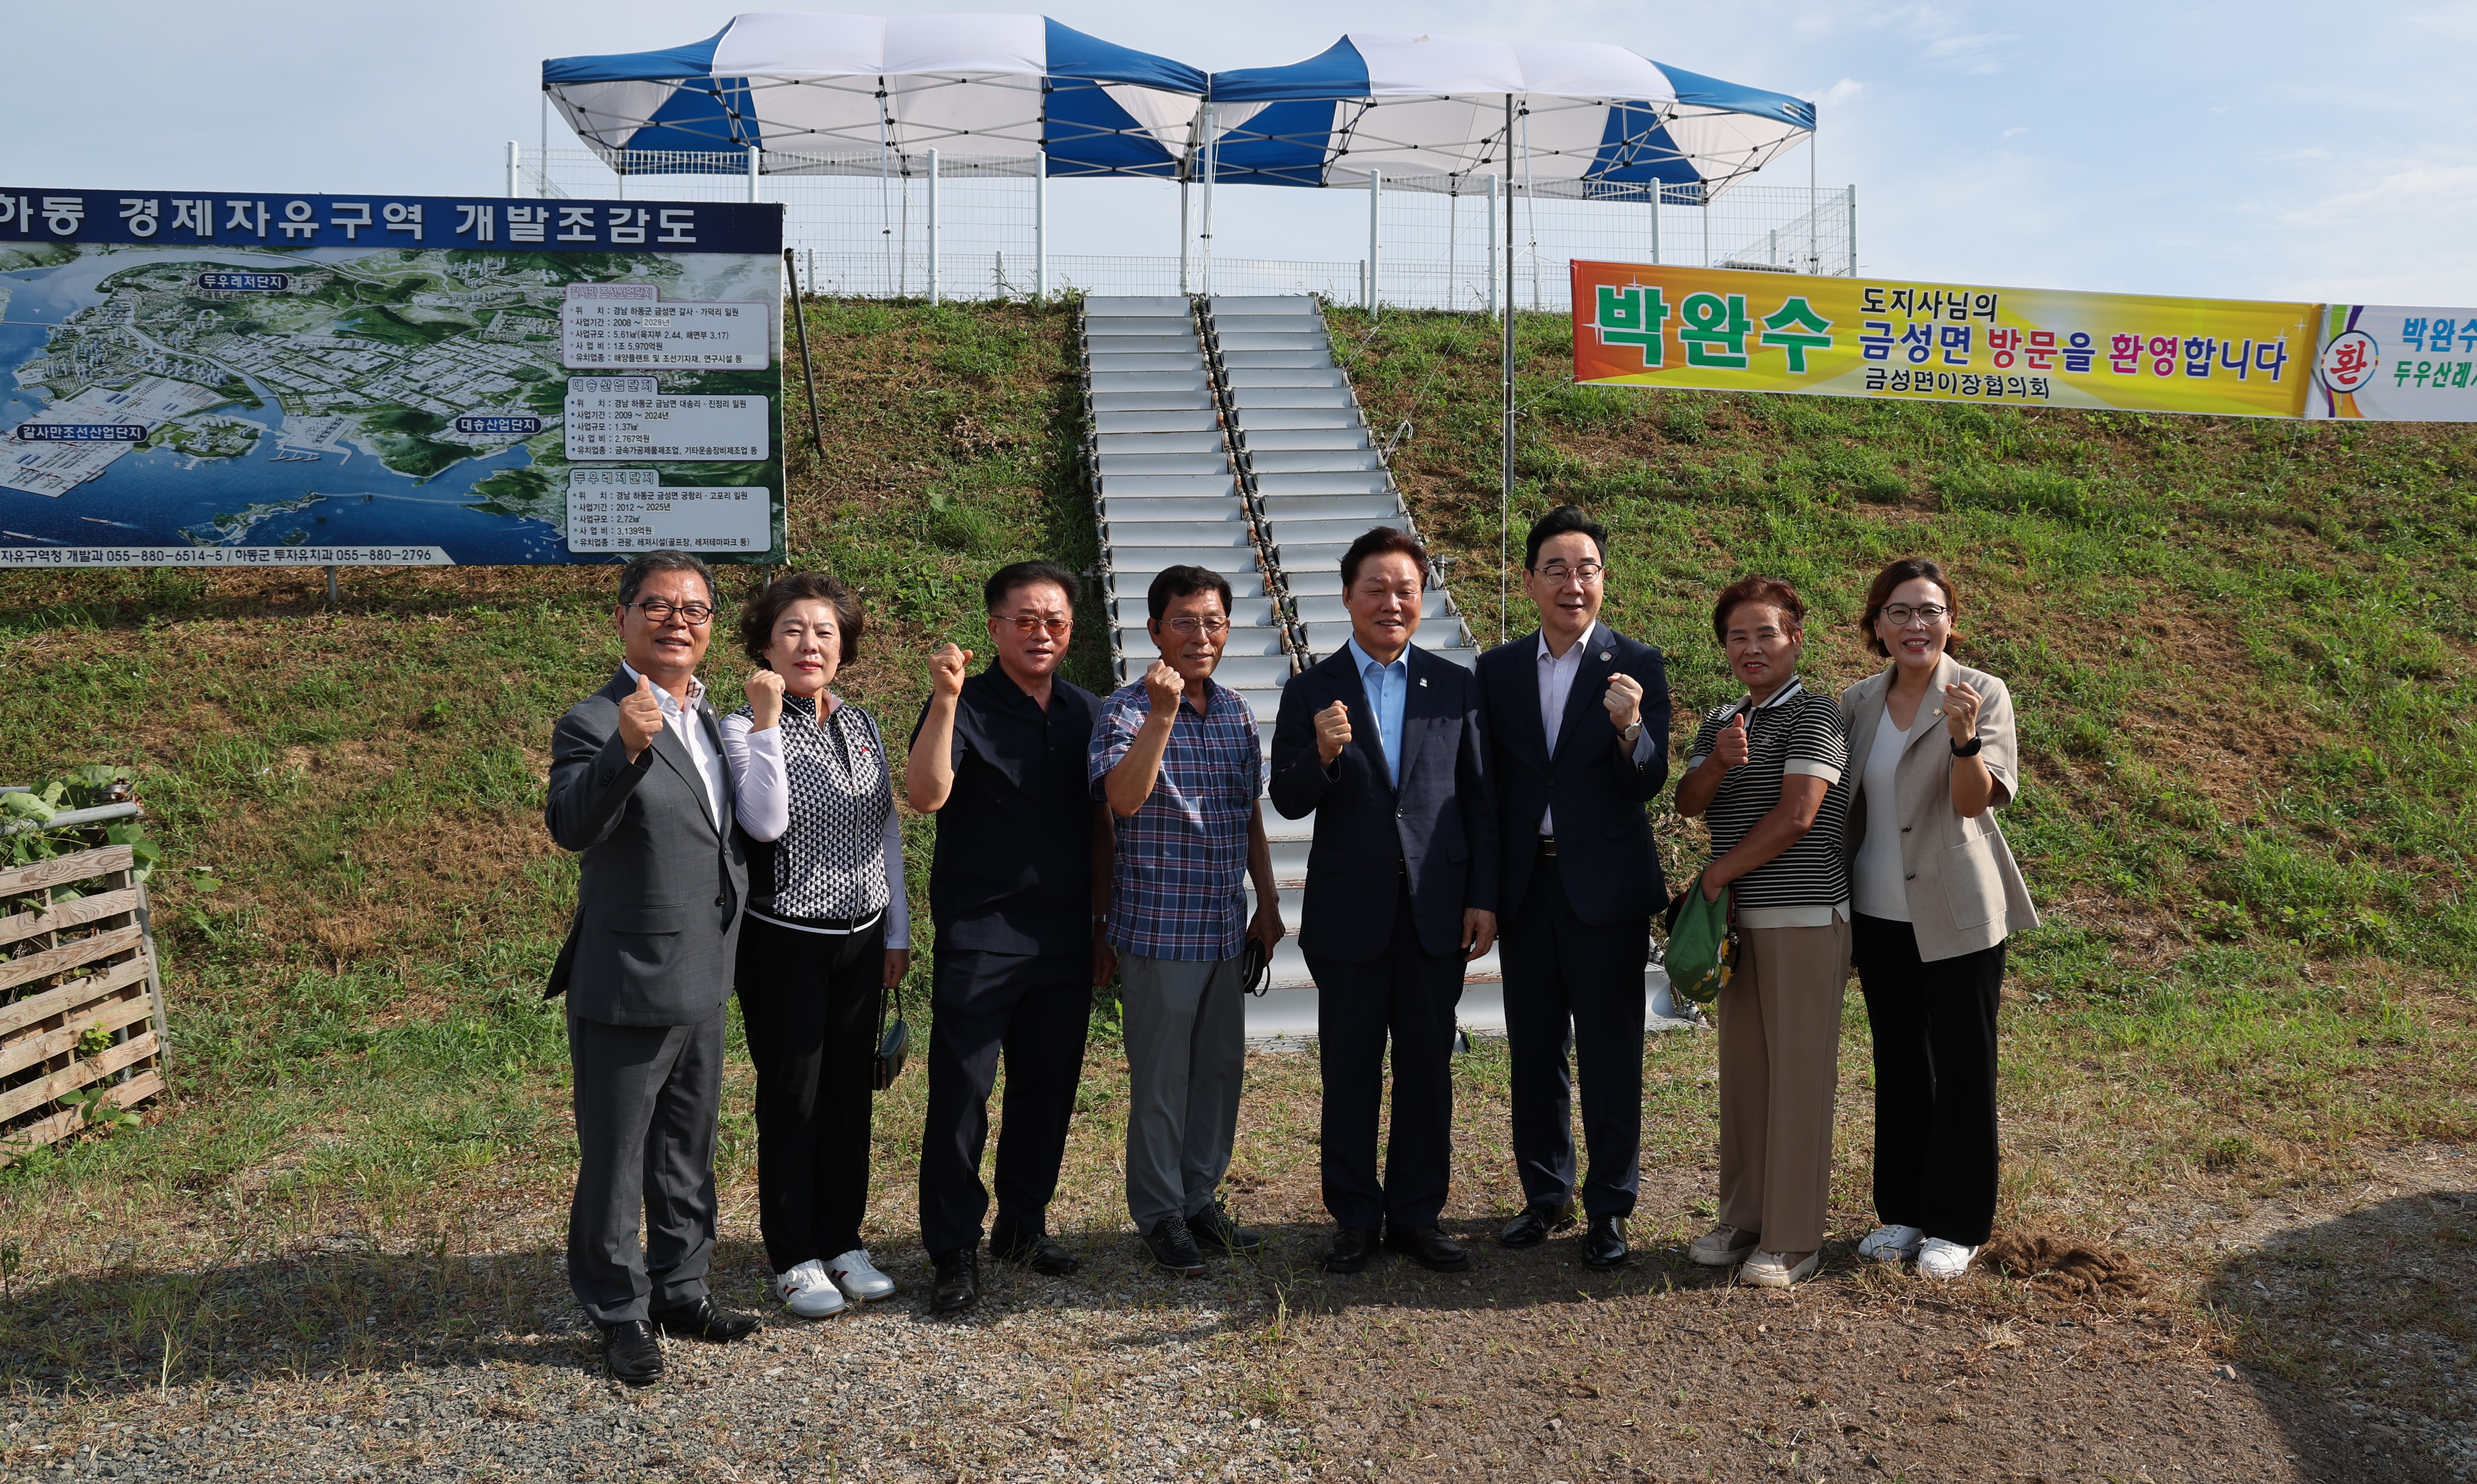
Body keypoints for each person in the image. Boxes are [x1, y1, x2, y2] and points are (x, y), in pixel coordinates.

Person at [545, 549, 761, 1386]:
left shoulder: (709, 715)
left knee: (687, 1145)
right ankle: (617, 1309)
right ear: (624, 618)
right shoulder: (597, 720)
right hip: (629, 975)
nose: (680, 620)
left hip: (707, 969)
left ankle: (682, 1287)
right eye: (659, 606)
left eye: (696, 609)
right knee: (615, 1153)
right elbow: (571, 827)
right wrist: (625, 753)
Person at [1269, 527, 1498, 1276]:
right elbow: (1289, 798)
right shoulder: (1310, 689)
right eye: (1376, 588)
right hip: (1349, 918)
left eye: (1406, 589)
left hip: (1437, 912)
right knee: (1351, 1070)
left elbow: (1479, 802)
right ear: (1347, 597)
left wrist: (1483, 898)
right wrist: (1324, 754)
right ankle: (1355, 1218)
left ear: (1421, 599)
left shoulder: (1456, 685)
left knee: (1429, 1068)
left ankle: (1418, 1215)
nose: (1391, 602)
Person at [906, 561, 1117, 1316]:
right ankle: (953, 1246)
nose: (1041, 633)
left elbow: (1102, 825)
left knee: (1047, 1088)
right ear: (994, 627)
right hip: (981, 931)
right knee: (963, 1090)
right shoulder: (963, 702)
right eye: (1025, 620)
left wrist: (1100, 923)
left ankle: (1023, 1226)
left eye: (1055, 621)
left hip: (1063, 932)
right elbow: (926, 795)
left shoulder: (1088, 711)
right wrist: (944, 699)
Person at [1474, 505, 1670, 1269]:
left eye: (1586, 568)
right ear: (1529, 582)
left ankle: (1611, 1207)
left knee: (1612, 1052)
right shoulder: (1498, 671)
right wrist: (1485, 891)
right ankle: (1545, 1194)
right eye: (1555, 568)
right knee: (1534, 1049)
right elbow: (1487, 790)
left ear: (1603, 580)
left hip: (1607, 891)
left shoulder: (1637, 664)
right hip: (1529, 888)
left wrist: (1631, 728)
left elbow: (1648, 779)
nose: (1572, 582)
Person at [1838, 557, 2037, 1282]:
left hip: (1957, 910)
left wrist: (1964, 739)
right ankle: (1902, 1212)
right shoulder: (1856, 703)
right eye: (1899, 612)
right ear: (1876, 625)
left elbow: (1972, 802)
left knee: (1962, 1066)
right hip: (1878, 910)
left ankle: (1958, 1224)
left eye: (1929, 611)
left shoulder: (1982, 693)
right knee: (1897, 1064)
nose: (1914, 625)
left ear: (1951, 620)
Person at [717, 571, 909, 1320]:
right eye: (793, 630)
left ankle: (843, 1239)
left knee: (848, 1097)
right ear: (765, 642)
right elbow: (764, 823)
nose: (810, 644)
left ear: (845, 647)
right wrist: (767, 722)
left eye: (825, 632)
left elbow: (886, 828)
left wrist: (895, 931)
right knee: (792, 1098)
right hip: (784, 941)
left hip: (861, 940)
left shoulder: (861, 723)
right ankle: (792, 1254)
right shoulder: (740, 726)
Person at [1090, 564, 1283, 1276]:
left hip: (1223, 927)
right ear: (1154, 631)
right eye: (1184, 622)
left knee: (1219, 1073)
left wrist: (1267, 900)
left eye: (1213, 622)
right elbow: (1124, 801)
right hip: (1158, 930)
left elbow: (1248, 817)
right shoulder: (1124, 710)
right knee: (1162, 1081)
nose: (1200, 636)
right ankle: (1159, 1212)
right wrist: (1164, 716)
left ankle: (1200, 1197)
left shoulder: (1236, 711)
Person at [1674, 575, 1852, 1290]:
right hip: (1739, 927)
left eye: (1766, 634)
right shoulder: (1722, 719)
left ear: (1796, 639)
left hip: (1806, 918)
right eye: (1737, 637)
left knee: (1800, 1079)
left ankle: (1794, 1238)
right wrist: (1719, 761)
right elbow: (1689, 802)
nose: (1752, 648)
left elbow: (1798, 816)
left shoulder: (1817, 715)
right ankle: (1742, 1219)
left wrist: (1717, 874)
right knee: (1746, 1076)